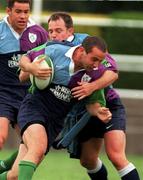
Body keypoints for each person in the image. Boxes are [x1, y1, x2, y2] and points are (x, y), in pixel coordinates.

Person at [47, 12, 140, 180]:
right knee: (88, 161)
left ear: (70, 31)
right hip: (84, 112)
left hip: (108, 105)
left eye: (58, 30)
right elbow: (29, 59)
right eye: (50, 31)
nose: (54, 35)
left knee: (116, 156)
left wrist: (91, 87)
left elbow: (112, 73)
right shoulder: (50, 49)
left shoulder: (88, 44)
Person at [15, 36, 111, 180]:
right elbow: (25, 58)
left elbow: (93, 104)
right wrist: (31, 67)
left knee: (14, 175)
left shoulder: (94, 75)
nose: (97, 65)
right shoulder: (55, 50)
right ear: (81, 50)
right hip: (34, 108)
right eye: (94, 59)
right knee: (37, 149)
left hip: (56, 121)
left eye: (99, 61)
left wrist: (99, 111)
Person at [0, 0, 48, 178]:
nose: (23, 16)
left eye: (26, 12)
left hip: (28, 96)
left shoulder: (39, 33)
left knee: (35, 147)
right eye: (18, 11)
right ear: (8, 11)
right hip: (3, 93)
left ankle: (5, 167)